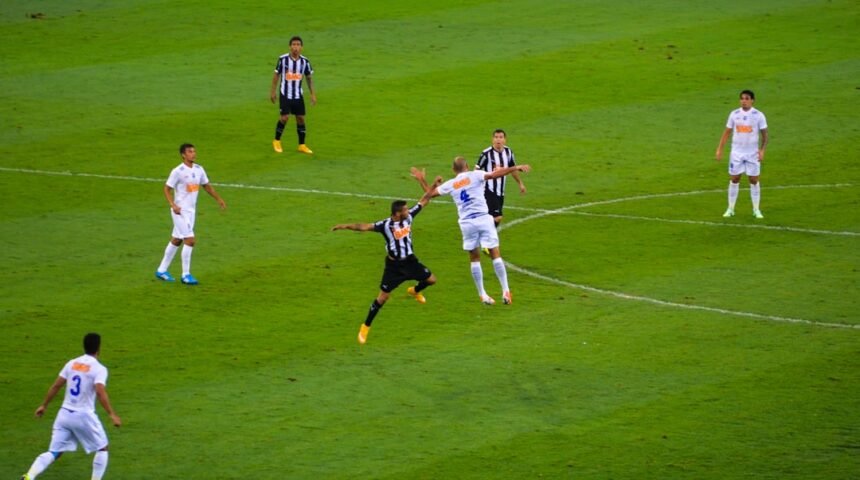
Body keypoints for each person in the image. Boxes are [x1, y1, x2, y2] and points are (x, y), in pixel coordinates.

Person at [332, 181, 442, 344]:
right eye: (404, 209)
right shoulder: (385, 225)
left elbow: (424, 200)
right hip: (394, 267)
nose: (407, 210)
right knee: (382, 298)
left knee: (431, 280)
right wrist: (344, 226)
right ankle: (365, 326)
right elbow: (364, 227)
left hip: (410, 261)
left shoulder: (409, 217)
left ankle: (414, 291)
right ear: (397, 213)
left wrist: (432, 184)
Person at [411, 156, 531, 305]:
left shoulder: (451, 183)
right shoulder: (476, 174)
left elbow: (429, 195)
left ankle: (482, 294)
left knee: (474, 258)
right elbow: (495, 175)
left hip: (467, 223)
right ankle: (505, 291)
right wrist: (515, 167)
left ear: (453, 170)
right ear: (467, 166)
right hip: (483, 219)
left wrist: (421, 180)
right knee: (495, 254)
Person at [20, 333, 121, 480]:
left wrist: (44, 405)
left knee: (54, 451)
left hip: (64, 415)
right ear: (99, 348)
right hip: (84, 415)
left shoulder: (72, 363)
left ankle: (29, 476)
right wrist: (112, 414)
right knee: (102, 448)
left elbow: (56, 386)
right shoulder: (99, 368)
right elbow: (100, 391)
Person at [155, 143, 227, 285]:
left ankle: (161, 270)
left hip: (191, 211)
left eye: (194, 151)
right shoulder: (178, 171)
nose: (193, 154)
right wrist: (173, 204)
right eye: (190, 152)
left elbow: (206, 186)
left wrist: (219, 199)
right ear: (183, 155)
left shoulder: (199, 169)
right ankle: (186, 275)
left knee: (177, 240)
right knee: (190, 240)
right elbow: (166, 189)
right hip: (179, 211)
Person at [715, 89, 769, 218]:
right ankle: (730, 209)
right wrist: (719, 149)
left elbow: (765, 135)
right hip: (736, 153)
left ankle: (756, 210)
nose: (743, 101)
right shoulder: (734, 114)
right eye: (742, 98)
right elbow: (727, 132)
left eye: (746, 98)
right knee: (734, 179)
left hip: (752, 154)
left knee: (754, 180)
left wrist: (762, 150)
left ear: (752, 100)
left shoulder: (758, 115)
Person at [270, 35, 317, 155]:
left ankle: (302, 145)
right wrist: (273, 92)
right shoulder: (283, 59)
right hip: (285, 94)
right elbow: (276, 76)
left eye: (298, 45)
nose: (296, 47)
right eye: (294, 44)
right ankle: (276, 140)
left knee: (300, 118)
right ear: (290, 46)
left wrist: (312, 94)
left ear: (301, 47)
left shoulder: (305, 62)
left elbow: (309, 78)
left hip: (297, 95)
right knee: (284, 117)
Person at [475, 129, 526, 229]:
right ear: (492, 139)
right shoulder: (486, 154)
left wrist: (520, 183)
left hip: (500, 192)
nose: (498, 139)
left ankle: (484, 233)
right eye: (496, 137)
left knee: (492, 217)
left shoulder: (508, 152)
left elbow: (512, 169)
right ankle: (485, 235)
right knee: (497, 217)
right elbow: (476, 170)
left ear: (505, 140)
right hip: (488, 190)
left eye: (501, 137)